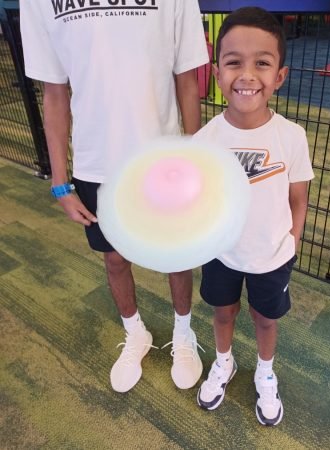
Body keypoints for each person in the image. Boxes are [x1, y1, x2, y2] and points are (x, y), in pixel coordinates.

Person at [20, 0, 210, 393]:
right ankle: (135, 332)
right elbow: (54, 94)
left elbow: (187, 81)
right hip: (96, 163)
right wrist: (60, 182)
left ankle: (183, 333)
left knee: (176, 255)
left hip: (164, 157)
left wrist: (198, 160)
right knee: (115, 257)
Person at [193, 7, 314, 426]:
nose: (246, 75)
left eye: (261, 63)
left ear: (279, 75)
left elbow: (299, 196)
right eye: (233, 63)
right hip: (221, 253)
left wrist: (292, 240)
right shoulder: (204, 139)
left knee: (266, 319)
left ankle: (265, 370)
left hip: (272, 256)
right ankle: (223, 362)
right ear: (217, 72)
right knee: (223, 312)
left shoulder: (292, 136)